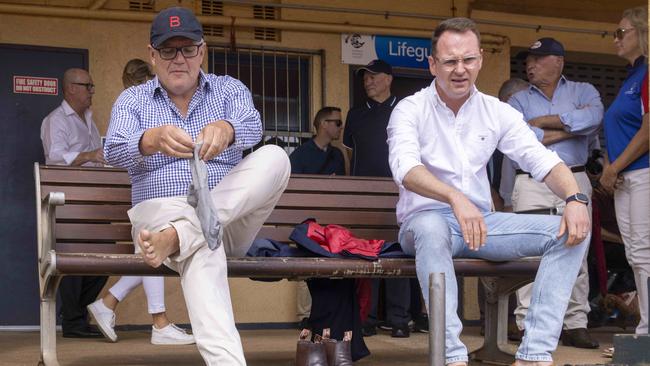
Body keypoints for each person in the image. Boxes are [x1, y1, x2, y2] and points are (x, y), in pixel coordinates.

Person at [387, 17, 591, 365]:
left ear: (480, 59)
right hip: (425, 222)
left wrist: (575, 199)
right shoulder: (410, 109)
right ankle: (451, 356)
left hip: (482, 225)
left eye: (468, 60)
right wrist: (454, 197)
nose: (460, 70)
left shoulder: (497, 112)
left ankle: (534, 355)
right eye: (450, 61)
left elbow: (542, 160)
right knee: (432, 229)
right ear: (433, 64)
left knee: (572, 231)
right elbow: (406, 170)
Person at [104, 7, 290, 364]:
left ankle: (180, 234)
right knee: (205, 239)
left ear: (202, 51)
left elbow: (253, 125)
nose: (179, 59)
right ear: (152, 55)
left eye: (188, 49)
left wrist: (228, 129)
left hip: (228, 219)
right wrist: (149, 139)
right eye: (168, 50)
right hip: (158, 214)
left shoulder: (228, 88)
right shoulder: (133, 99)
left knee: (276, 159)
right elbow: (113, 149)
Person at [502, 37, 603, 349]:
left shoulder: (584, 91)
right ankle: (525, 323)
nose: (529, 65)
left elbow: (594, 119)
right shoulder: (517, 100)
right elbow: (521, 137)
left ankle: (575, 324)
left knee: (578, 251)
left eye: (538, 59)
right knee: (528, 253)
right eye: (528, 60)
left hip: (574, 180)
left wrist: (544, 124)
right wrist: (571, 128)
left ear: (558, 61)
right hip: (531, 181)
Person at [87, 58, 194, 345]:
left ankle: (108, 303)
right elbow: (117, 152)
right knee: (154, 248)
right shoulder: (139, 110)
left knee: (152, 251)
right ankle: (158, 322)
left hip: (158, 203)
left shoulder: (139, 111)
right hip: (151, 203)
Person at [343, 59, 418, 338]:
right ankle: (367, 317)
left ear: (388, 79)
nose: (368, 81)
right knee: (367, 254)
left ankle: (400, 319)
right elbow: (350, 155)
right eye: (365, 77)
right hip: (363, 195)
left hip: (400, 191)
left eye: (373, 76)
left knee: (398, 252)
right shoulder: (356, 114)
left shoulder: (406, 110)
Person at [40, 68, 107, 338]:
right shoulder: (55, 120)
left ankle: (76, 316)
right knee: (74, 261)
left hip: (93, 198)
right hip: (68, 199)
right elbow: (54, 157)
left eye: (92, 86)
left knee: (104, 259)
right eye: (87, 86)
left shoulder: (89, 119)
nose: (92, 91)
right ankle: (73, 321)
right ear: (70, 89)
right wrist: (90, 154)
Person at [600, 5, 649, 338]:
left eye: (621, 32)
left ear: (642, 33)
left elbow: (648, 131)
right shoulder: (632, 76)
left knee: (644, 251)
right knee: (635, 254)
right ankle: (645, 325)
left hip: (643, 174)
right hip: (624, 179)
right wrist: (609, 165)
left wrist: (614, 166)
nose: (615, 38)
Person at [290, 106, 345, 328]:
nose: (340, 127)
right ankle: (306, 316)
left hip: (333, 220)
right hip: (307, 221)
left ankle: (331, 313)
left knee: (336, 267)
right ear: (324, 124)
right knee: (306, 266)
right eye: (337, 123)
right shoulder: (301, 154)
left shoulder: (337, 154)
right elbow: (292, 187)